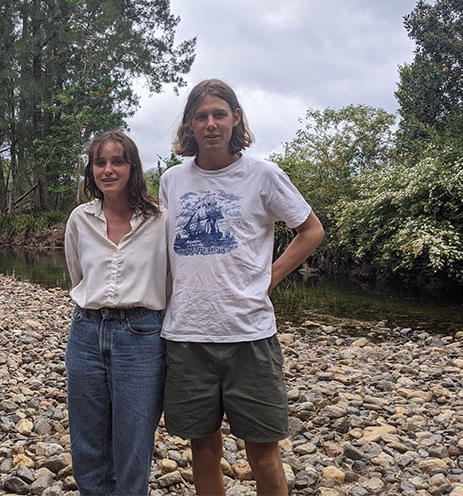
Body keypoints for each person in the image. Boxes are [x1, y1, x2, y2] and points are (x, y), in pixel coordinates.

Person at [159, 79, 324, 496]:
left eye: (219, 114)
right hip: (187, 335)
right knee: (203, 450)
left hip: (250, 335)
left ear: (235, 118)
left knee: (264, 455)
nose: (211, 124)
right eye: (201, 116)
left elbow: (311, 230)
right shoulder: (172, 180)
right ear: (190, 124)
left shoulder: (263, 175)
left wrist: (271, 276)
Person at [64, 130, 168, 495]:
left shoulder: (160, 220)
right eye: (100, 163)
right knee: (87, 438)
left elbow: (170, 280)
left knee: (134, 438)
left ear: (133, 167)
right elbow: (77, 274)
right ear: (91, 170)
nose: (108, 170)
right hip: (86, 332)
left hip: (142, 335)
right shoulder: (80, 219)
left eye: (117, 162)